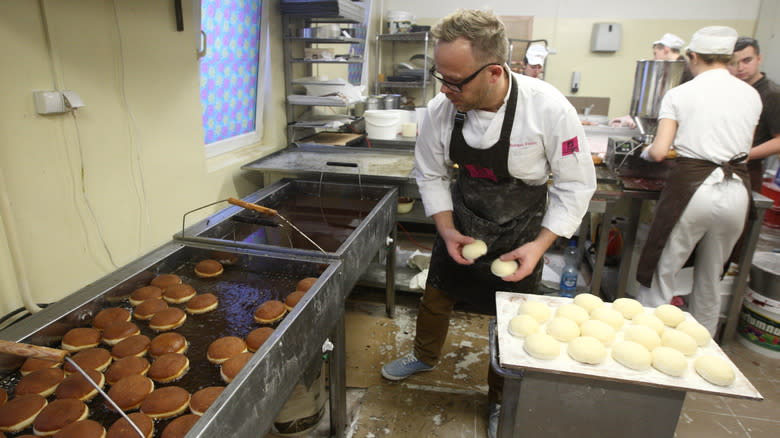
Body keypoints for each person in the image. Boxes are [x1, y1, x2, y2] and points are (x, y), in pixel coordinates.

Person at [379, 9, 596, 438]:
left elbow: (575, 185)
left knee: (513, 319)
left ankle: (500, 397)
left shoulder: (548, 109)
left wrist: (539, 246)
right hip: (462, 218)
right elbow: (432, 173)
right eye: (440, 76)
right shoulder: (444, 110)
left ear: (494, 71)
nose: (445, 89)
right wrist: (444, 229)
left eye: (455, 80)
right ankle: (424, 355)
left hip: (522, 227)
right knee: (437, 294)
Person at [635, 26, 762, 335]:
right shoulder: (751, 94)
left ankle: (651, 340)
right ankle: (702, 348)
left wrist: (646, 152)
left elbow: (661, 151)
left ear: (692, 57)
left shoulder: (681, 93)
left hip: (693, 190)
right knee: (711, 278)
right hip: (737, 191)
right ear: (728, 57)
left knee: (662, 272)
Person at [728, 37, 780, 191]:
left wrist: (744, 156)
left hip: (749, 170)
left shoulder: (772, 94)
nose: (740, 67)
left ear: (759, 59)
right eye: (733, 62)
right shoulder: (731, 89)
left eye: (747, 60)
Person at [610, 32, 693, 127]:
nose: (654, 58)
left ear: (666, 50)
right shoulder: (669, 69)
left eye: (655, 53)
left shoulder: (684, 70)